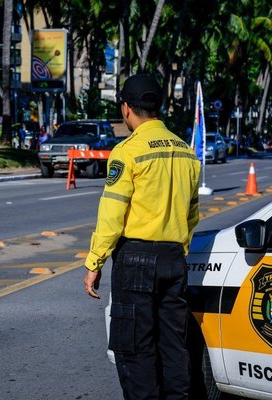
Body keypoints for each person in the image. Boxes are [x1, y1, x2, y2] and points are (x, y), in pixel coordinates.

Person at [83, 74, 200, 400]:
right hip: (174, 259)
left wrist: (95, 261)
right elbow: (192, 214)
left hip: (135, 260)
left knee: (136, 353)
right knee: (174, 348)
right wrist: (179, 252)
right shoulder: (187, 153)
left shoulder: (128, 151)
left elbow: (112, 214)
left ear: (126, 109)